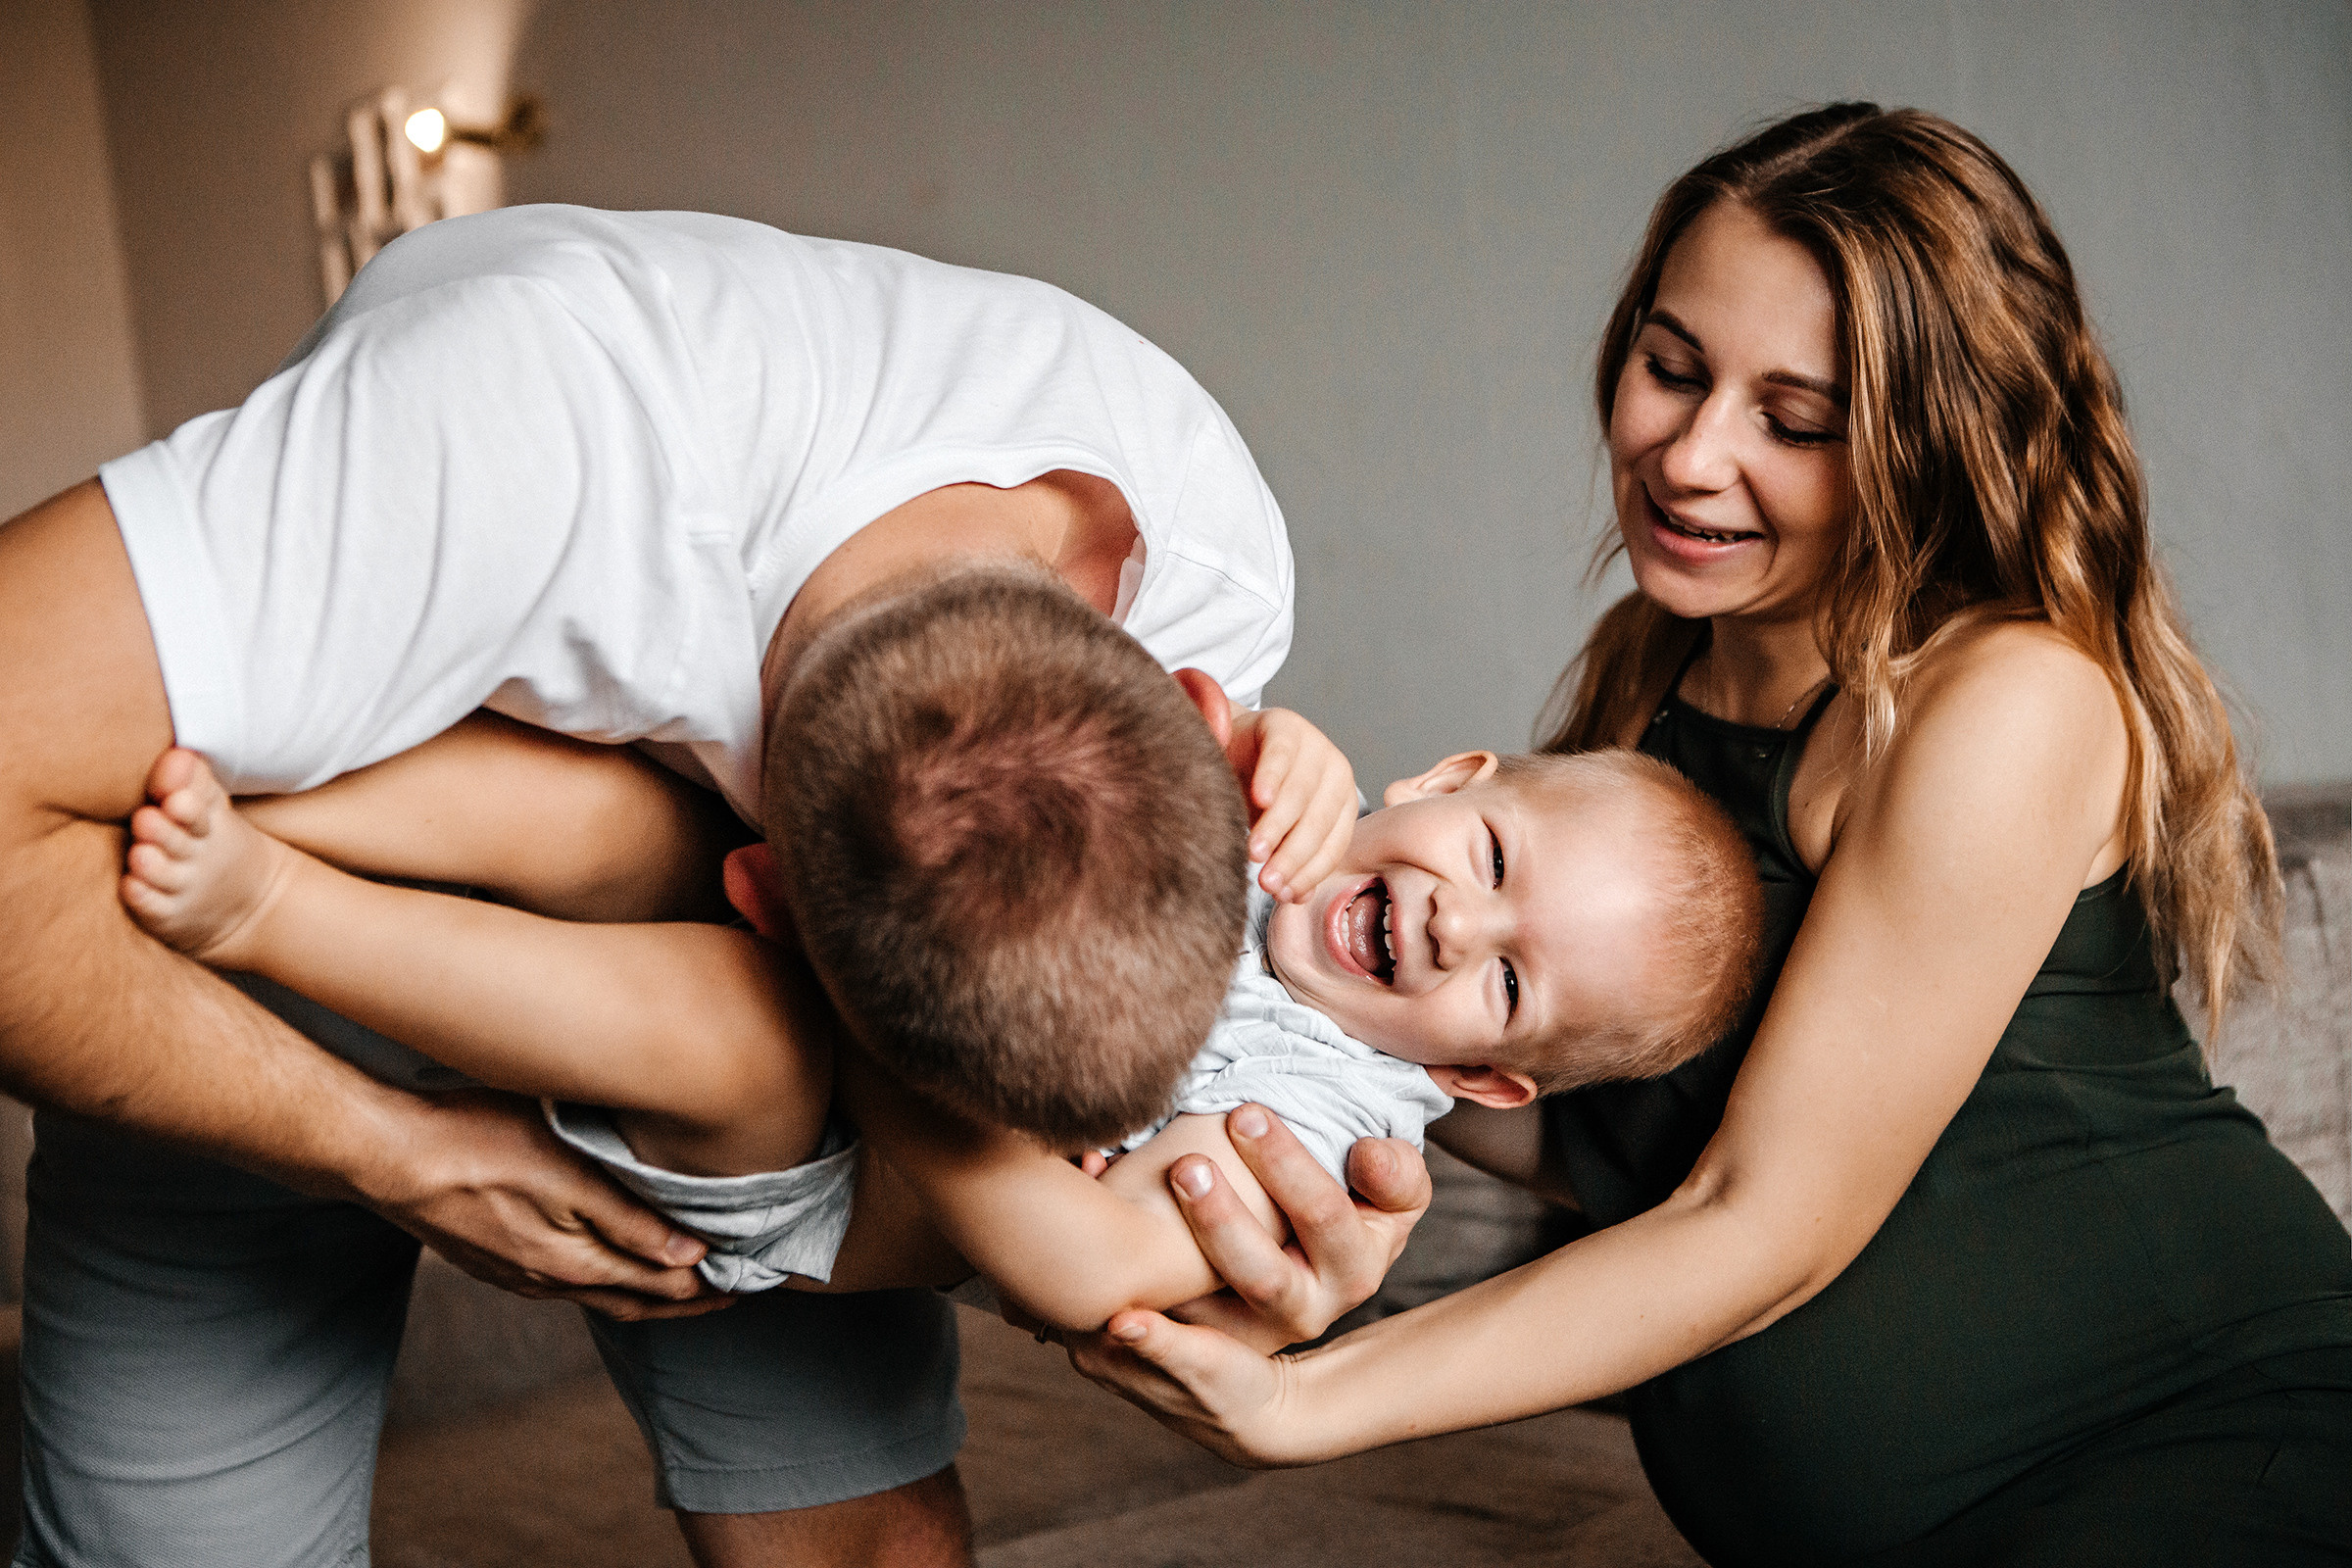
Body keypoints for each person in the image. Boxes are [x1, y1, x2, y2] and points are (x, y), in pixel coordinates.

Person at [0, 206, 1432, 1568]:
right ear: (771, 899)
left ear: (1196, 707)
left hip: (715, 1038)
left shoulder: (1212, 561)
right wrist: (391, 1150)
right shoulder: (530, 436)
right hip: (294, 887)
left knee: (866, 1529)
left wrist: (1219, 1280)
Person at [1066, 104, 2352, 1565]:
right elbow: (1591, 1125)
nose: (1687, 457)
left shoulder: (2004, 700)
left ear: (1932, 448)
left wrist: (1311, 1400)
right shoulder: (1654, 673)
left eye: (1795, 422)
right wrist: (1243, 987)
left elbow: (1761, 1219)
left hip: (2221, 1445)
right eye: (1671, 369)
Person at [117, 666, 1765, 1326]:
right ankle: (239, 792)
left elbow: (1077, 1267)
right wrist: (1276, 743)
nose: (1448, 920)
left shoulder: (1321, 1132)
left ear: (1482, 1089)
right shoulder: (1291, 825)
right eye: (1481, 851)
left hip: (831, 1148)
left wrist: (876, 1009)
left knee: (721, 1017)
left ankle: (265, 906)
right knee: (611, 815)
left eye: (1505, 981)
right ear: (1446, 774)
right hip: (827, 923)